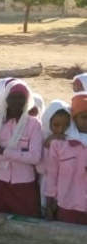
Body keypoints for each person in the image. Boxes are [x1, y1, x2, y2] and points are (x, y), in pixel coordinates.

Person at [0, 80, 42, 217]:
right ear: (5, 98)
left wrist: (4, 151)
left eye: (21, 97)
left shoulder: (34, 124)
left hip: (24, 183)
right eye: (12, 97)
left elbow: (35, 158)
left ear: (27, 100)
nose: (16, 101)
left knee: (26, 222)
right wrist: (21, 154)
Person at [44, 93, 87, 224]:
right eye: (84, 117)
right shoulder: (60, 143)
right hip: (67, 204)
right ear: (74, 118)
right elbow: (52, 174)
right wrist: (50, 202)